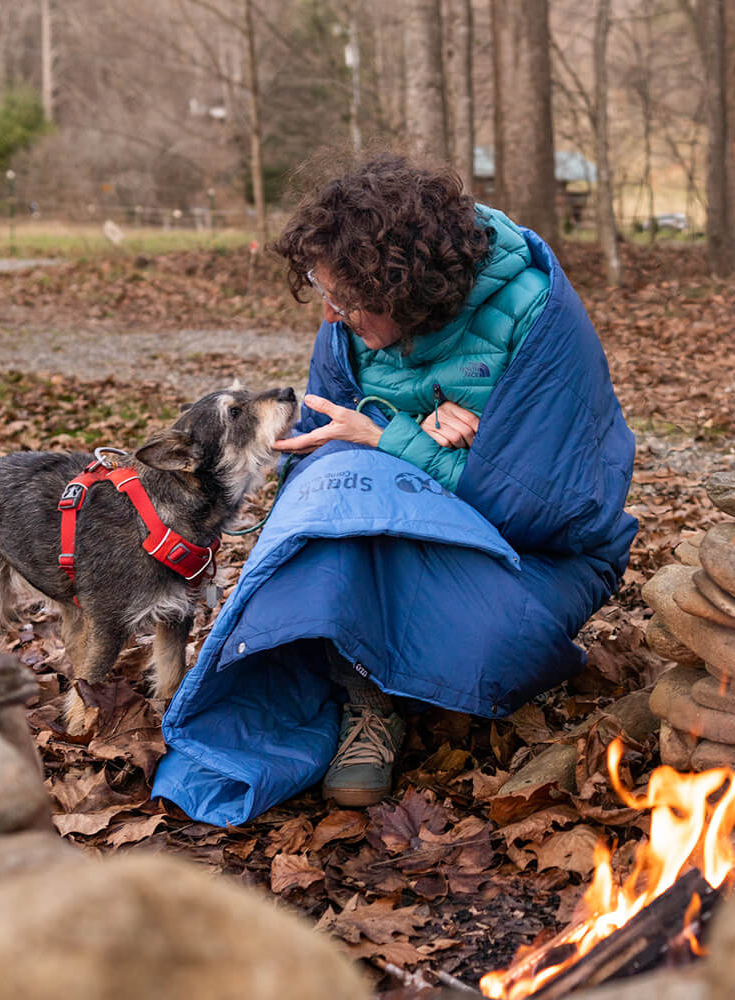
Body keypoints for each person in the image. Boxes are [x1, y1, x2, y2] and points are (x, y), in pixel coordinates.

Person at [151, 154, 636, 826]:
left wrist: (391, 441)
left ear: (405, 291)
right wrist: (404, 430)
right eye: (326, 297)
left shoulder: (537, 315)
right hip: (413, 513)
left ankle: (394, 667)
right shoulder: (350, 318)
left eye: (345, 303)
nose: (330, 315)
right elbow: (325, 451)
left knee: (496, 646)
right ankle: (366, 701)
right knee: (327, 506)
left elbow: (549, 509)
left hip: (542, 552)